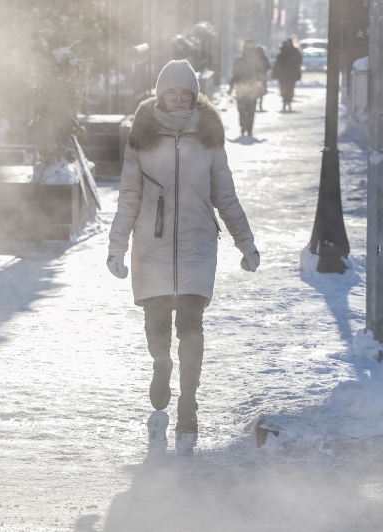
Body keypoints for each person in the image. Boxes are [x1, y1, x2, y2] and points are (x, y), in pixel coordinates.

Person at [107, 60, 259, 436]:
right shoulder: (141, 136)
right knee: (156, 325)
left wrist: (246, 243)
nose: (178, 99)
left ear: (194, 96)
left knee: (191, 327)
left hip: (196, 245)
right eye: (171, 93)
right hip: (152, 246)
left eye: (185, 94)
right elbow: (129, 196)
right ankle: (161, 365)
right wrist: (117, 247)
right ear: (160, 95)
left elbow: (225, 195)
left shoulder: (208, 136)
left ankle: (189, 401)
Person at [228, 40, 267, 136]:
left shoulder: (239, 60)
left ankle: (244, 128)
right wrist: (263, 87)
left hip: (242, 89)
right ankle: (248, 129)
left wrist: (231, 87)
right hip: (250, 89)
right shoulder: (256, 61)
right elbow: (261, 75)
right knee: (250, 110)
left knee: (243, 110)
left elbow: (234, 75)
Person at [272, 39, 303, 111]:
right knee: (290, 88)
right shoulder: (294, 53)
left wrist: (275, 74)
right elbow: (298, 62)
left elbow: (276, 65)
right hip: (290, 75)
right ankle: (288, 101)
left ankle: (285, 101)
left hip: (283, 75)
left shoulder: (281, 54)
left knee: (284, 88)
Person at [255, 45, 271, 111]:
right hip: (262, 76)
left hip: (255, 77)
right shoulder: (264, 58)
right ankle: (260, 104)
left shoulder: (254, 58)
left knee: (255, 91)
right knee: (262, 91)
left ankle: (255, 104)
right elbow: (268, 66)